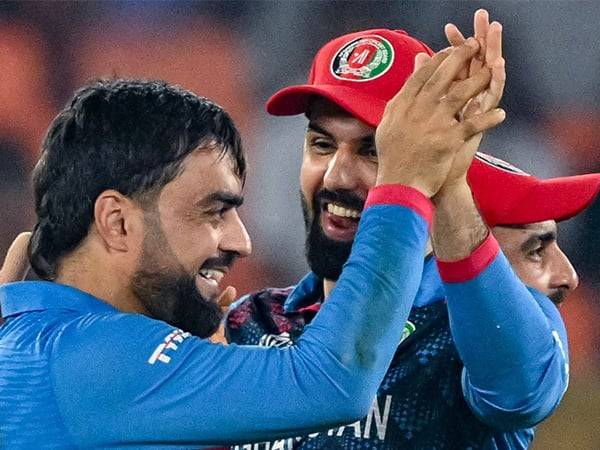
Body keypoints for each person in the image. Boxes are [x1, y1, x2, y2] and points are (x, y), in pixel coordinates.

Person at [0, 47, 500, 448]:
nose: (241, 240)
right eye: (213, 211)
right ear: (118, 222)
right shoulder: (98, 359)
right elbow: (332, 382)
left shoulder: (31, 342)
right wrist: (404, 180)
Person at [225, 12, 600, 449]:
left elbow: (518, 391)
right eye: (321, 144)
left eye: (374, 150)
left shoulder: (460, 331)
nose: (337, 175)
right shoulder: (248, 324)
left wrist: (450, 182)